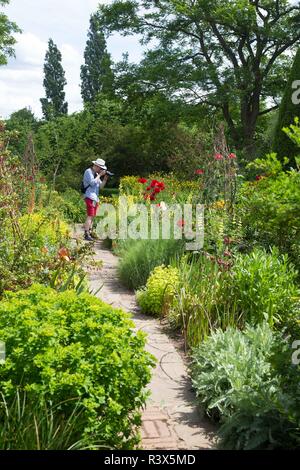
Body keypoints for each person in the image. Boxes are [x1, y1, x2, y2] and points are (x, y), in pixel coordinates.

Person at [83, 158, 109, 241]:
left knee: (93, 216)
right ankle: (86, 233)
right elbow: (92, 183)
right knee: (90, 215)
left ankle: (90, 232)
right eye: (101, 168)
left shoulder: (96, 174)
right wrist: (100, 175)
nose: (101, 170)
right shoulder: (88, 172)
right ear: (96, 166)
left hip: (95, 198)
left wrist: (105, 179)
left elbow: (101, 186)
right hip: (89, 196)